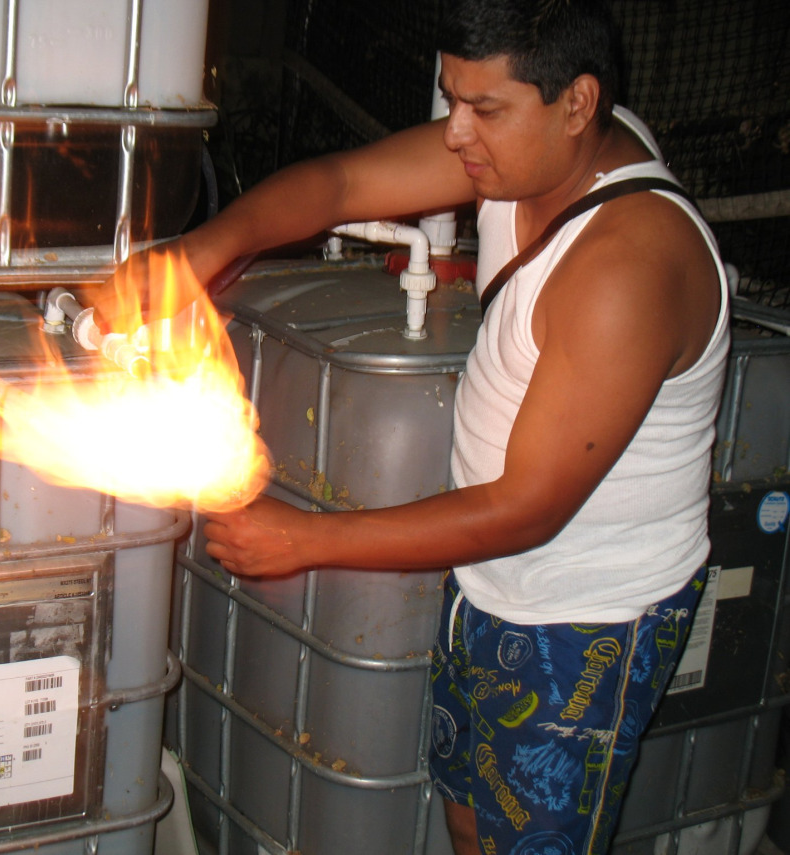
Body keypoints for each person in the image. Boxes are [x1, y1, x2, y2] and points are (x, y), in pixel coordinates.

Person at [96, 1, 729, 853]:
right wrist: (199, 252)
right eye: (451, 98)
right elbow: (343, 185)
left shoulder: (625, 265)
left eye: (486, 110)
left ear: (578, 104)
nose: (457, 135)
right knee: (468, 815)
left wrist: (305, 540)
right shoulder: (534, 157)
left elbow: (526, 509)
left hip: (581, 623)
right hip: (489, 582)